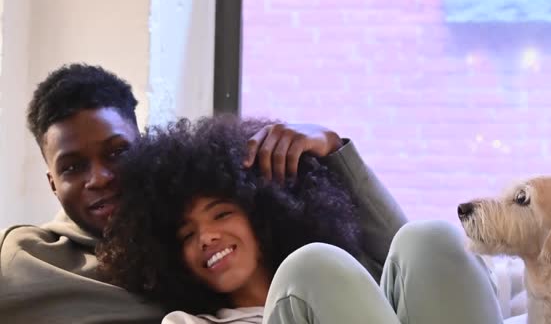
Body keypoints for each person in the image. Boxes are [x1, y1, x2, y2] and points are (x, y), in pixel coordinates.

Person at [0, 64, 407, 323]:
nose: (99, 178)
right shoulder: (27, 258)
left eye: (117, 153)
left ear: (143, 146)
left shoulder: (235, 227)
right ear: (52, 182)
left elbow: (404, 269)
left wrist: (333, 152)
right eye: (72, 167)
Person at [97, 115, 504, 324]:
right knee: (311, 269)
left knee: (429, 237)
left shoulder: (355, 279)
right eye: (186, 235)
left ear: (262, 215)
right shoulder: (189, 323)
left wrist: (332, 147)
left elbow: (429, 268)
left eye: (221, 214)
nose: (206, 237)